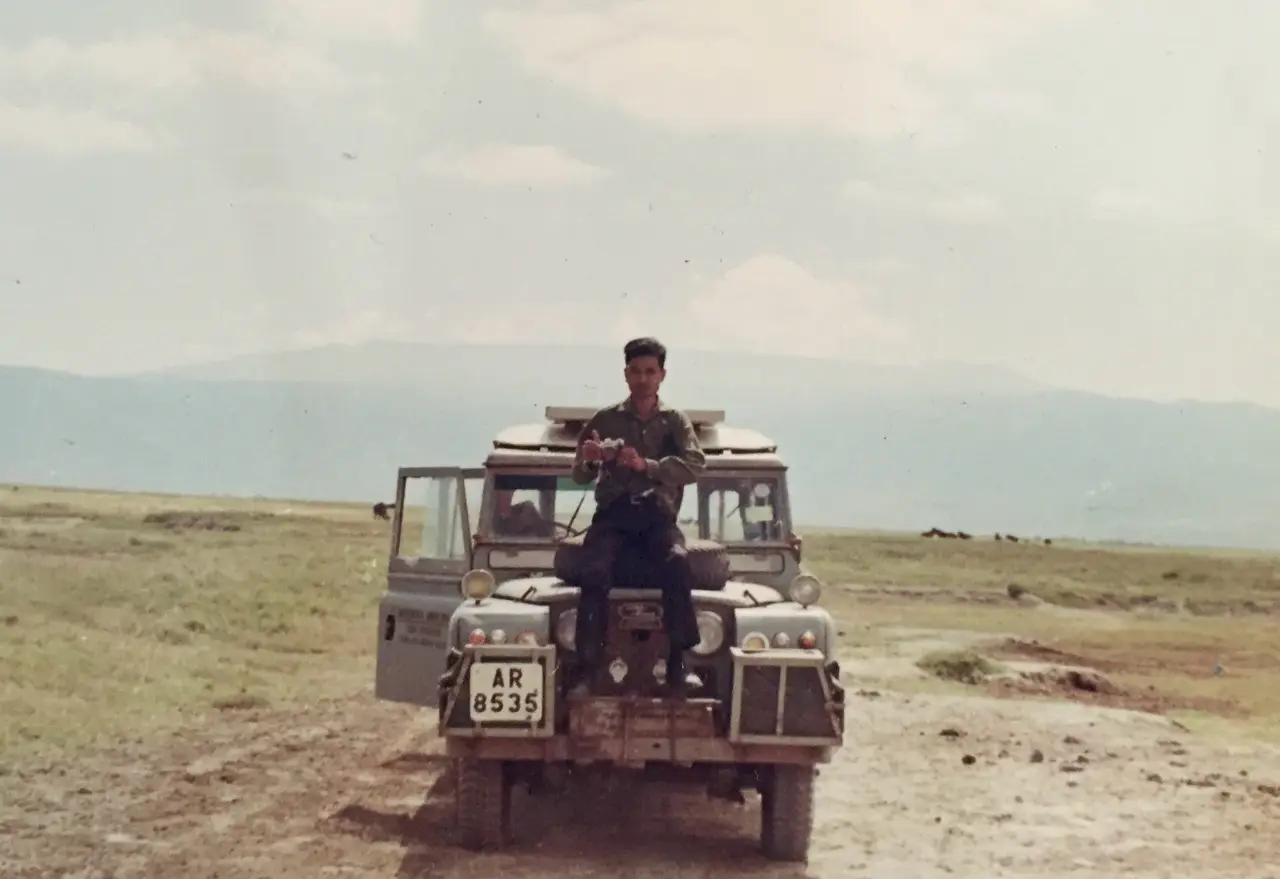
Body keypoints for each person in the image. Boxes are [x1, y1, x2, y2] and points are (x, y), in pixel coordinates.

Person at [569, 337, 706, 697]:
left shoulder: (675, 421)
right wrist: (592, 458)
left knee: (678, 563)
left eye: (650, 371)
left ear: (662, 375)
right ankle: (587, 669)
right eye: (636, 371)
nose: (643, 379)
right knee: (594, 571)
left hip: (658, 516)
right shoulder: (606, 418)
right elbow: (580, 475)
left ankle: (679, 664)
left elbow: (695, 466)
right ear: (626, 374)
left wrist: (646, 465)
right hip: (613, 517)